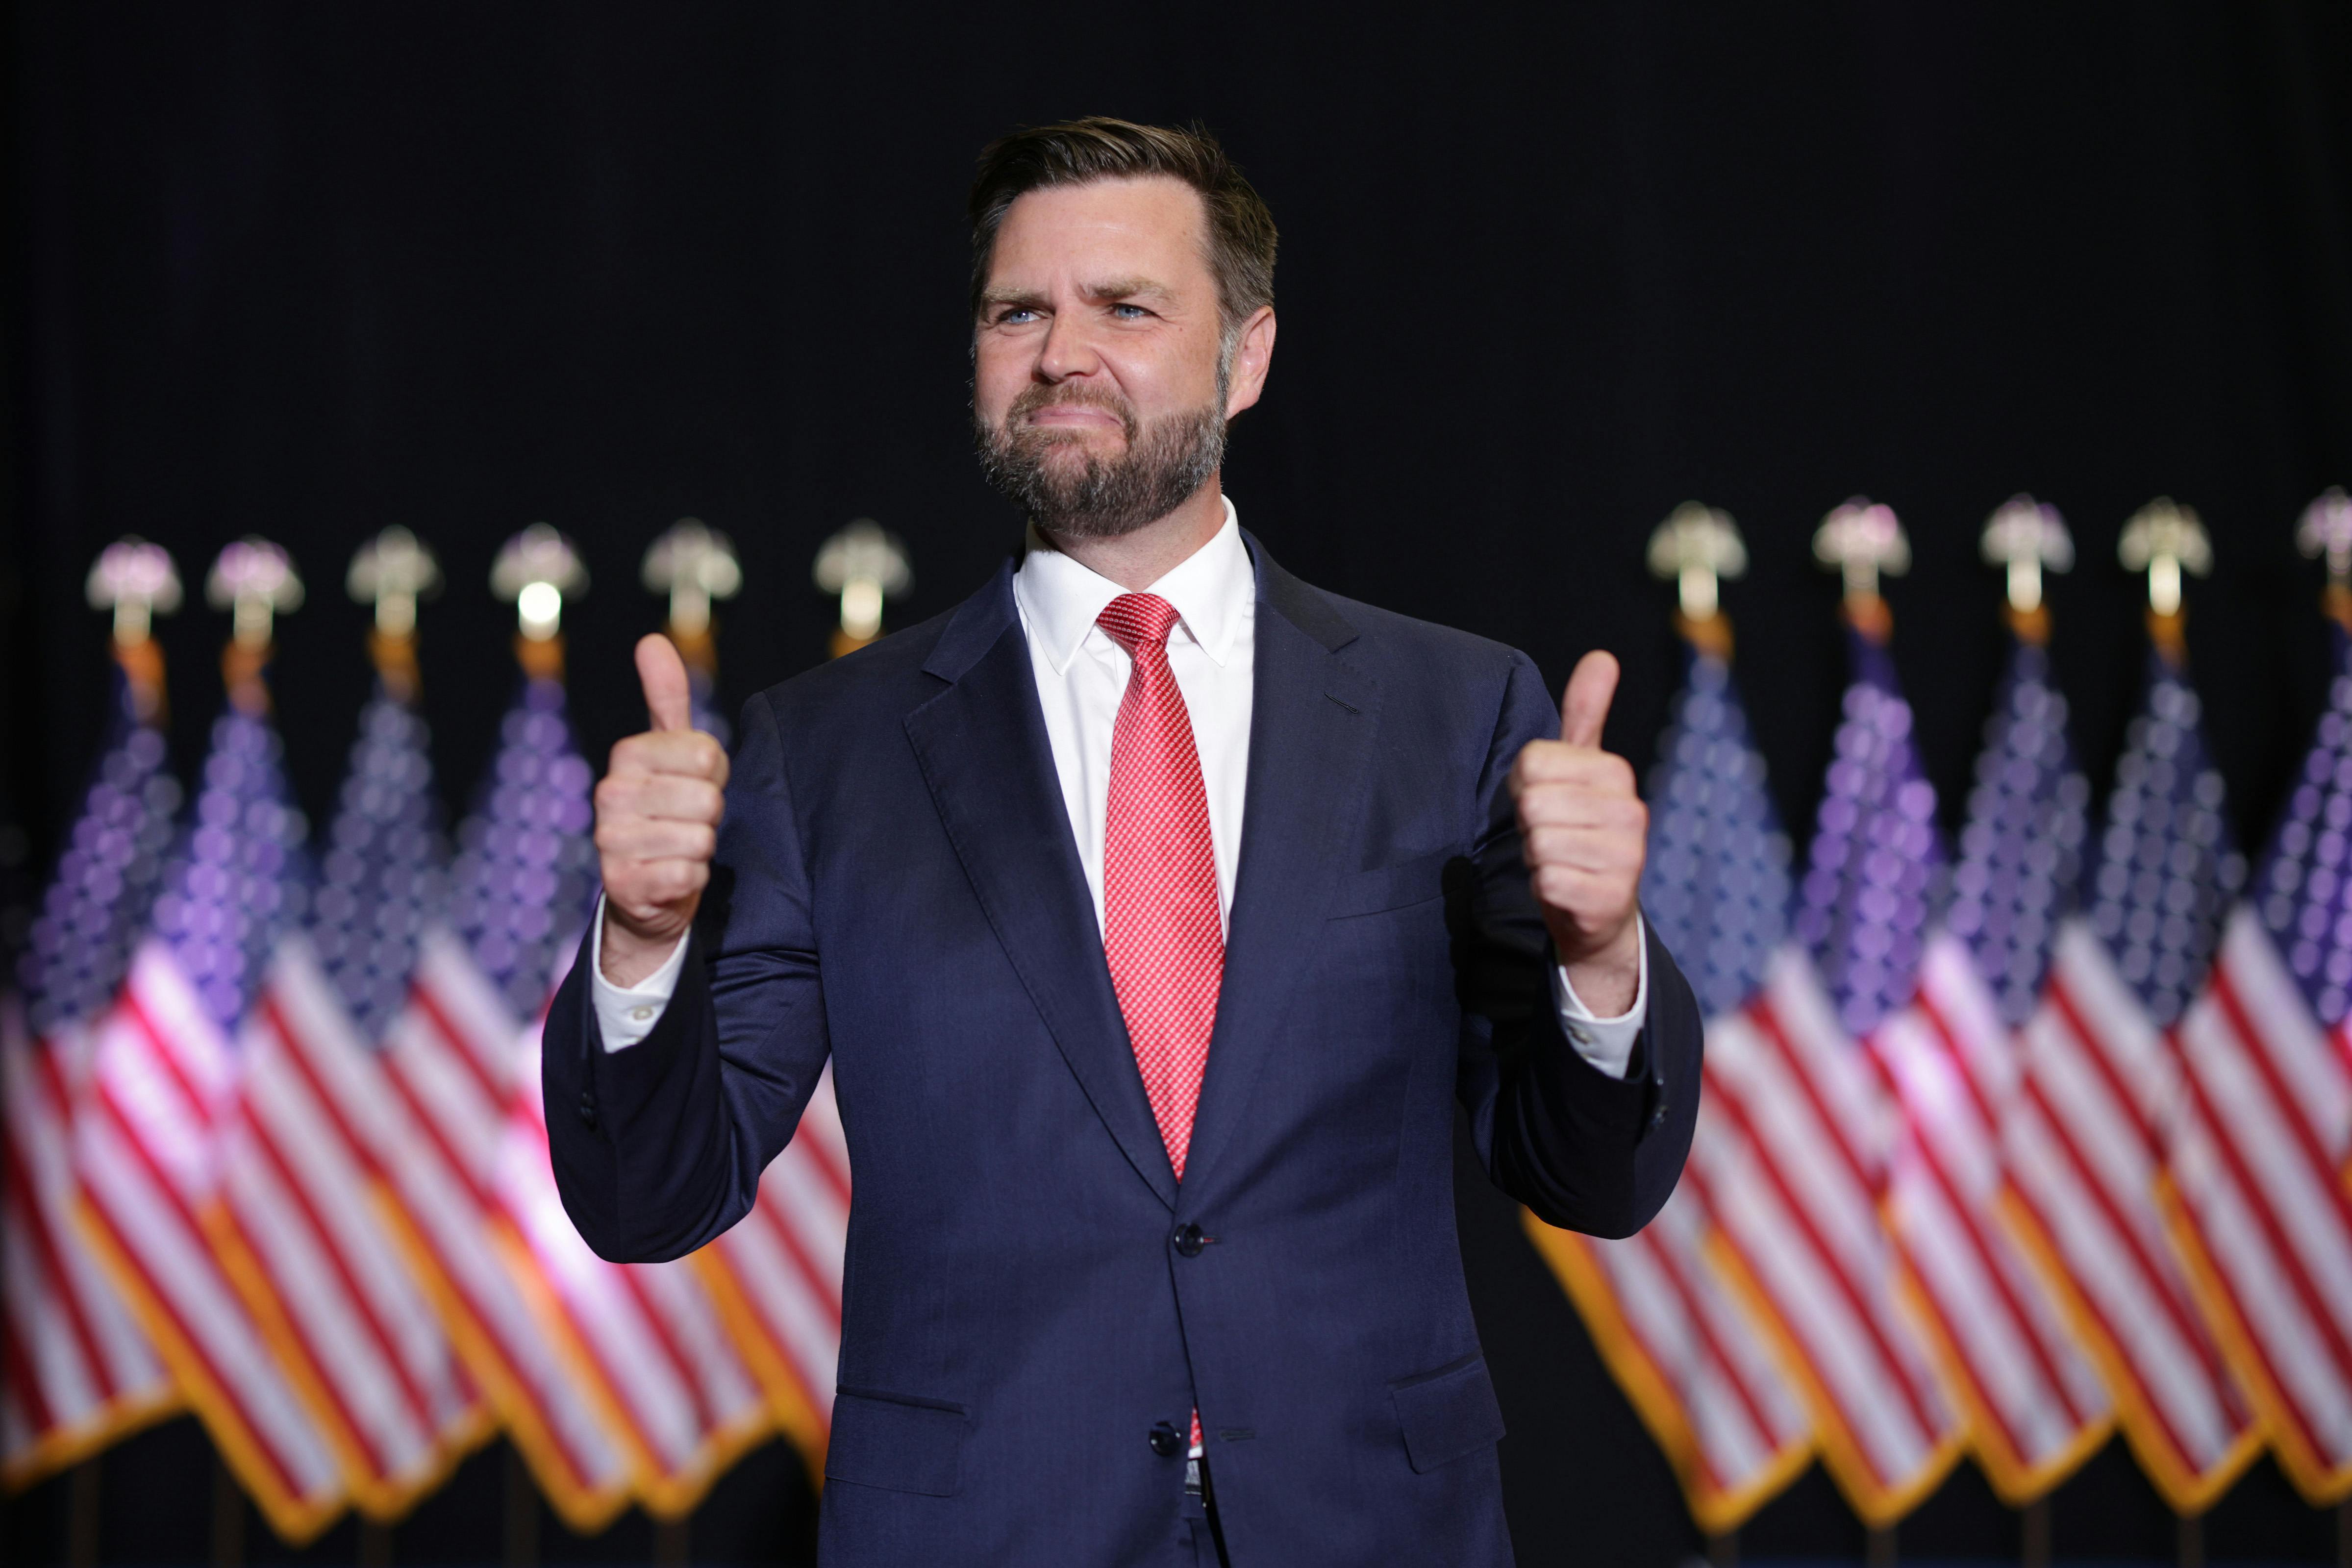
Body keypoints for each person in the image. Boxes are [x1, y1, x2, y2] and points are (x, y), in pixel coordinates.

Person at [546, 117, 1701, 1568]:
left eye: (1126, 307)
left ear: (1250, 356)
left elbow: (1593, 1177)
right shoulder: (820, 751)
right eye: (1017, 310)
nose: (1059, 353)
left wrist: (1601, 961)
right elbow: (650, 1198)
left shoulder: (1454, 711)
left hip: (1374, 1524)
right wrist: (644, 951)